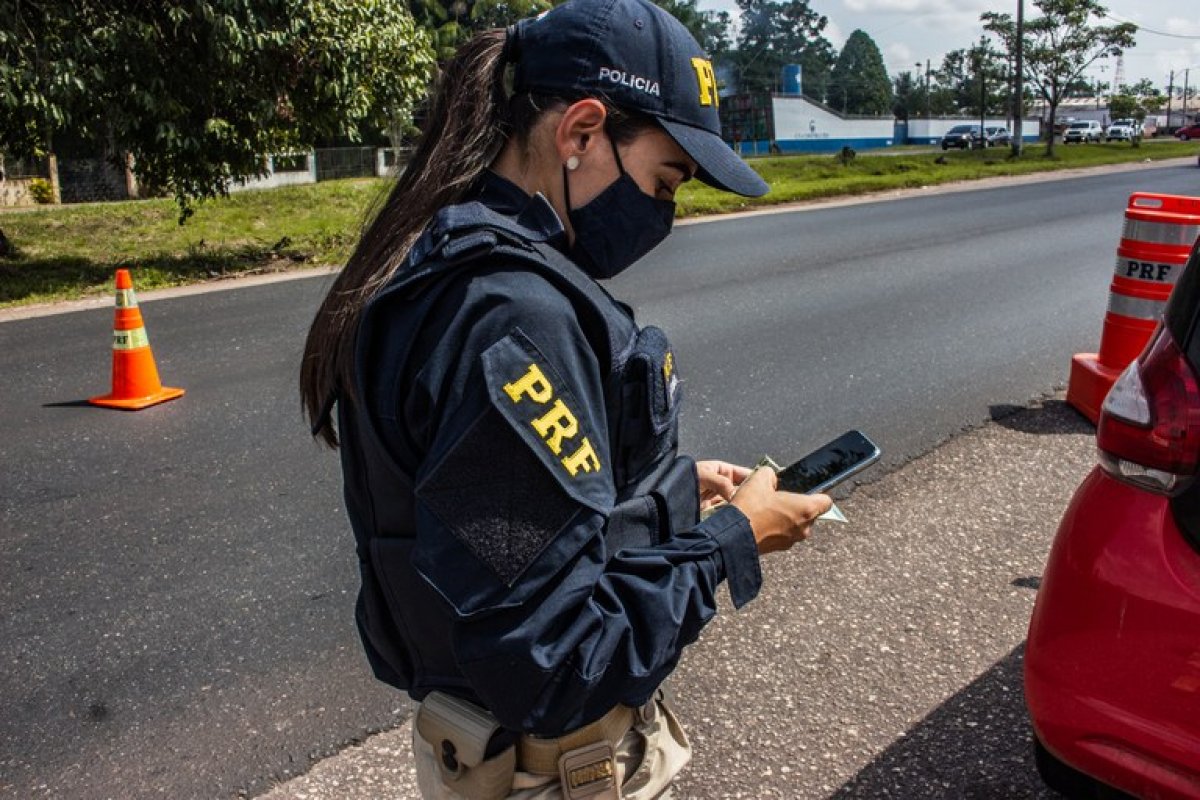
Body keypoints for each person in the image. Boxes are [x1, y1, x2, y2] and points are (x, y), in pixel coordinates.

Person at [299, 0, 832, 796]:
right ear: (581, 133)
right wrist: (731, 542)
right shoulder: (516, 317)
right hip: (554, 771)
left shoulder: (444, 252)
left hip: (494, 754)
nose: (667, 214)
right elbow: (553, 658)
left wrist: (675, 494)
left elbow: (499, 525)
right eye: (665, 180)